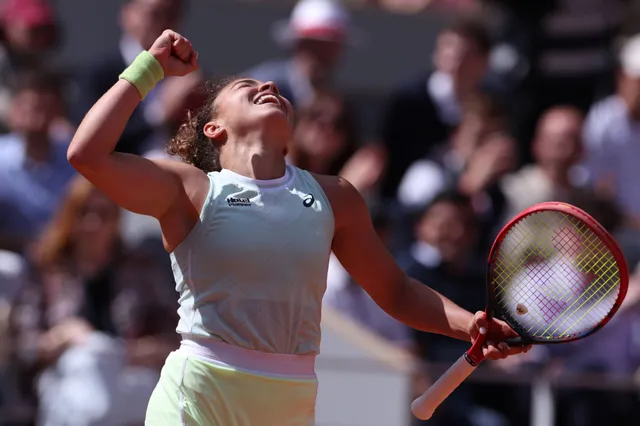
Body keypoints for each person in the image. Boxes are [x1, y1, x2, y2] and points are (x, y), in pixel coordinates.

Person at [67, 30, 531, 425]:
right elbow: (87, 154)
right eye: (247, 85)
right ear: (214, 128)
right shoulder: (189, 189)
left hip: (290, 399)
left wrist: (467, 325)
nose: (268, 84)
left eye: (272, 87)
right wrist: (148, 68)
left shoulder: (336, 196)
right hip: (199, 395)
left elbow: (397, 292)